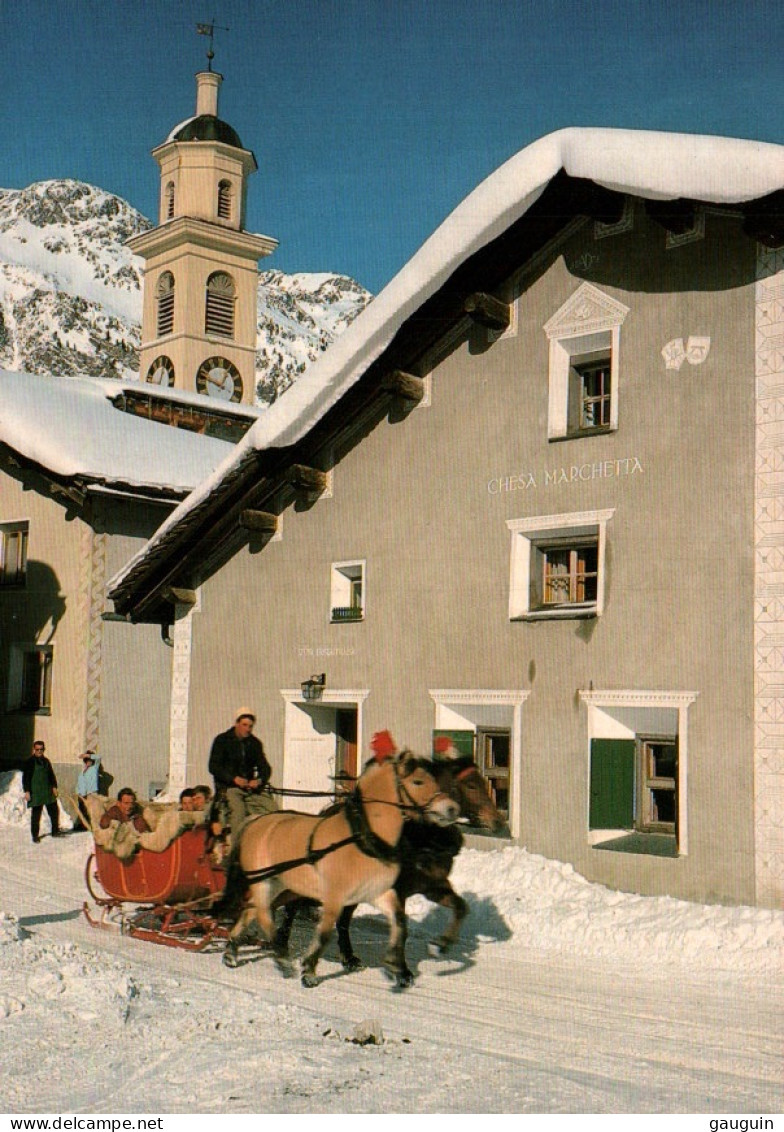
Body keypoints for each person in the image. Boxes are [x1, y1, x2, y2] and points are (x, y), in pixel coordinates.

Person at [208, 708, 275, 840]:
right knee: (238, 814)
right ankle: (236, 849)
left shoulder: (255, 744)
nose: (248, 729)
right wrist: (233, 779)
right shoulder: (222, 740)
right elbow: (213, 767)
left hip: (251, 790)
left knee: (274, 811)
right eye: (244, 725)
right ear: (237, 723)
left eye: (250, 726)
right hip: (229, 789)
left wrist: (259, 780)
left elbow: (265, 767)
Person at [22, 740, 61, 844]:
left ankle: (55, 831)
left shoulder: (46, 761)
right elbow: (26, 778)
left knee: (54, 811)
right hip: (36, 792)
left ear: (44, 749)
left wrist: (54, 787)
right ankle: (35, 836)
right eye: (37, 749)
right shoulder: (30, 762)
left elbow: (51, 775)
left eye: (41, 749)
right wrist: (27, 791)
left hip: (47, 791)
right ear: (34, 749)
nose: (39, 751)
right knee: (36, 815)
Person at [75, 750, 101, 831]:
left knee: (91, 811)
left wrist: (87, 755)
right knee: (82, 810)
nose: (88, 762)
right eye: (87, 761)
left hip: (91, 793)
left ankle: (91, 826)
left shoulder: (95, 768)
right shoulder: (83, 770)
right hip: (82, 794)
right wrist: (77, 792)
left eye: (90, 760)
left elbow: (99, 757)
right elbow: (80, 782)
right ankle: (82, 825)